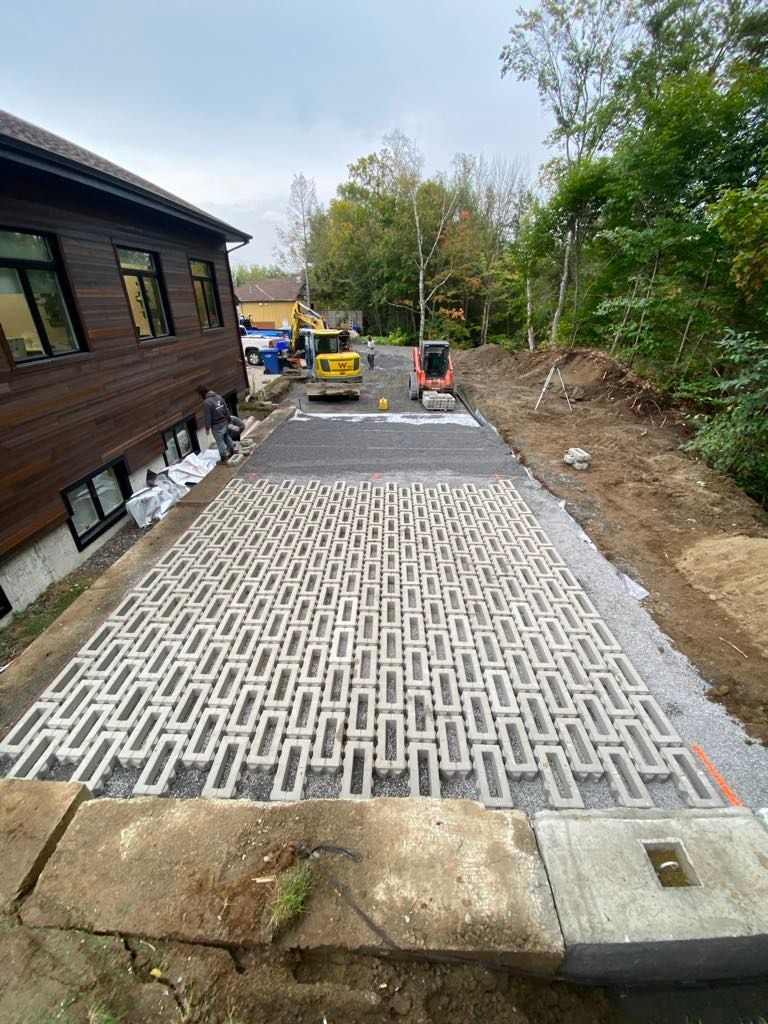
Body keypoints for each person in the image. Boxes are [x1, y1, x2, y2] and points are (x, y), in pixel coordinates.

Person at [197, 384, 234, 463]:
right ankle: (232, 452)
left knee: (220, 442)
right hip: (224, 421)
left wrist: (207, 428)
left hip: (216, 425)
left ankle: (223, 459)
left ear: (202, 393)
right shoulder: (219, 397)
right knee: (227, 437)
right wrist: (229, 419)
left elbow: (208, 417)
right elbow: (226, 409)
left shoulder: (206, 402)